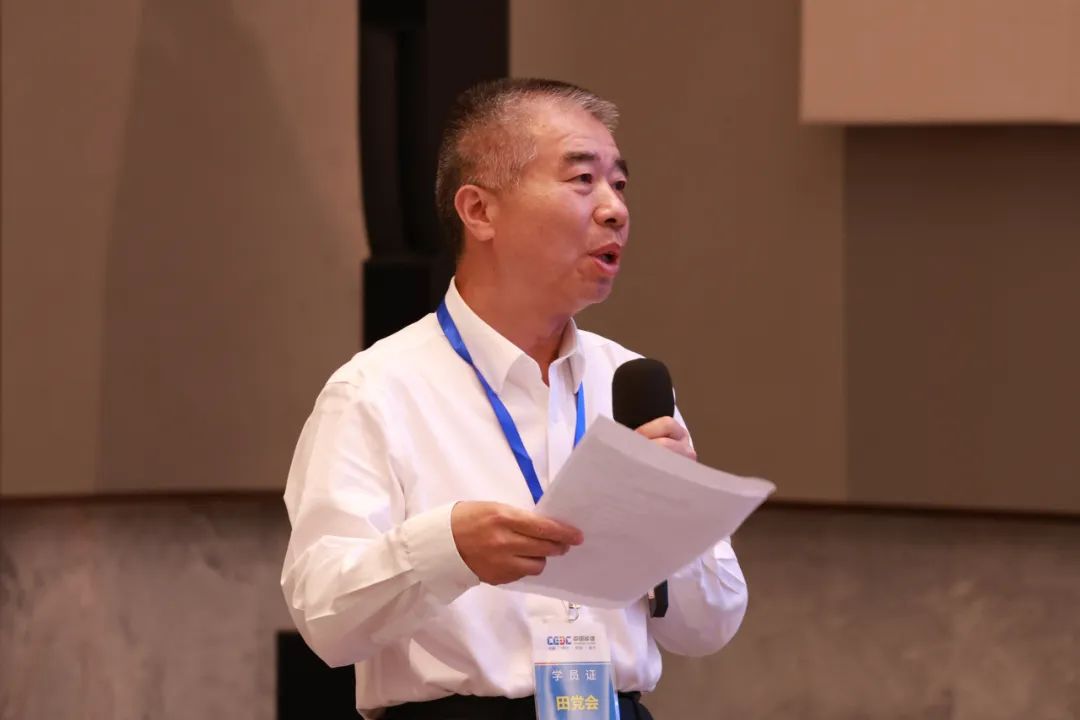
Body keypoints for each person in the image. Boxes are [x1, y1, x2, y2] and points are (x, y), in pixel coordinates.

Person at [281, 78, 747, 719]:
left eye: (619, 183)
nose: (615, 209)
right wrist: (448, 551)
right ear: (479, 211)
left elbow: (711, 625)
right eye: (582, 180)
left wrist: (671, 518)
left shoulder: (629, 380)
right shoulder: (376, 391)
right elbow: (324, 618)